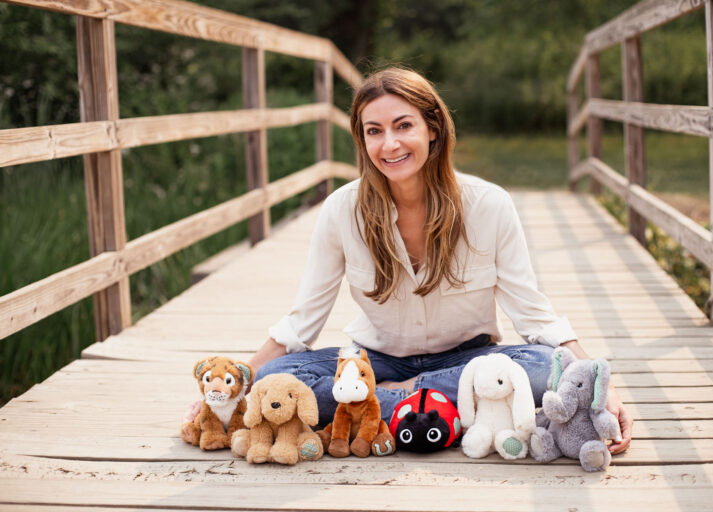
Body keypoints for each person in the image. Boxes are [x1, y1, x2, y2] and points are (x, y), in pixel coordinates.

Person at [185, 67, 632, 454]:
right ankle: (426, 405)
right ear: (361, 138)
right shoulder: (342, 211)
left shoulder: (489, 205)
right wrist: (235, 391)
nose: (389, 144)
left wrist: (594, 382)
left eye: (403, 126)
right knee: (278, 377)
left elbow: (534, 315)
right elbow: (301, 324)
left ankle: (377, 404)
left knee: (539, 367)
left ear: (432, 128)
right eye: (374, 131)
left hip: (467, 360)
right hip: (372, 361)